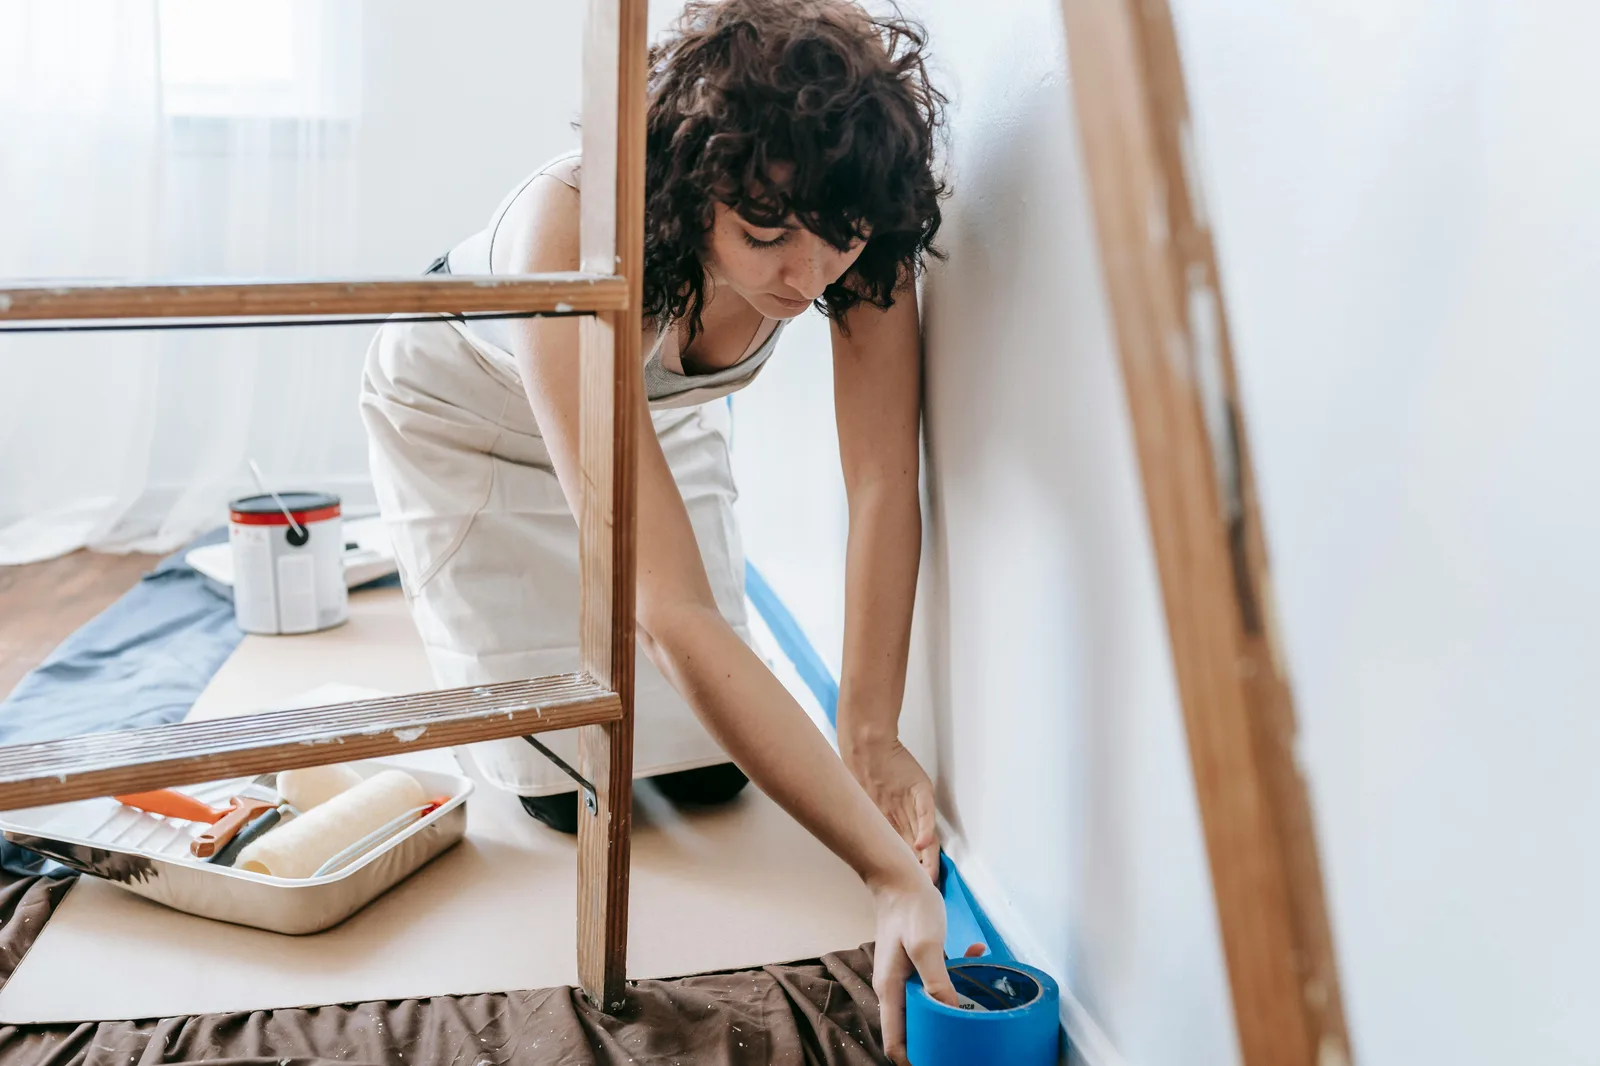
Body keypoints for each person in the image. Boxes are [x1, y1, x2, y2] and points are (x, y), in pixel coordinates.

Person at [360, 0, 956, 1057]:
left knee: (702, 773)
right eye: (766, 238)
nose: (807, 276)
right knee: (571, 796)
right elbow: (672, 613)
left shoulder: (844, 214)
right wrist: (883, 869)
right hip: (464, 420)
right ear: (696, 185)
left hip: (651, 418)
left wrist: (870, 731)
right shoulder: (574, 230)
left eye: (838, 242)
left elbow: (878, 485)